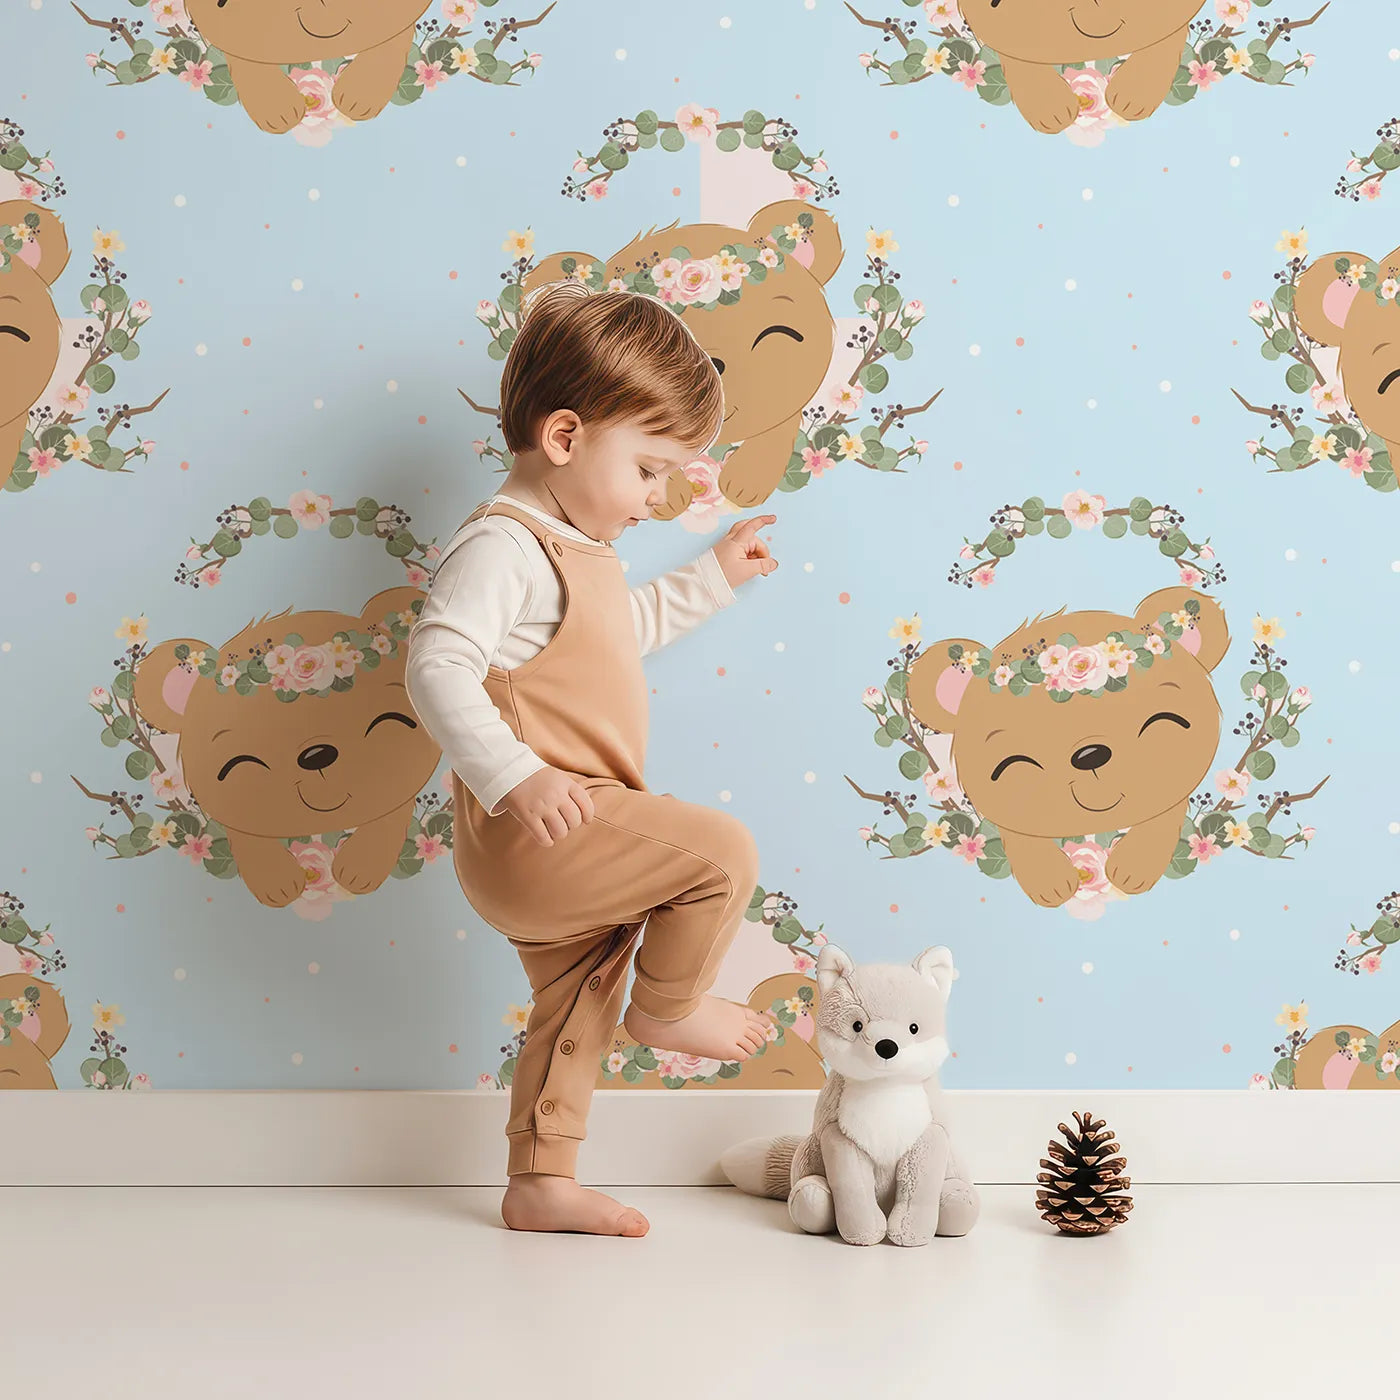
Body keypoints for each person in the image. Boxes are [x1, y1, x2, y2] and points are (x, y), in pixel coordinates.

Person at [406, 281, 781, 1237]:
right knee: (721, 853)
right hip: (540, 826)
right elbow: (435, 665)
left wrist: (713, 578)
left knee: (578, 1005)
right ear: (566, 437)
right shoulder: (503, 548)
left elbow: (620, 632)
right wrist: (515, 776)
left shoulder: (574, 549)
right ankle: (670, 1008)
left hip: (564, 831)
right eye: (650, 470)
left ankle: (540, 1182)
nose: (659, 498)